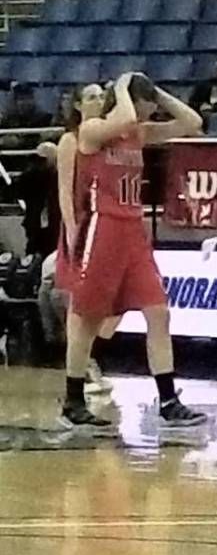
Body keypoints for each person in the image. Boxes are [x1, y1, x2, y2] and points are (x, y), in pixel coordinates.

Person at [58, 73, 207, 431]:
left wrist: (158, 93)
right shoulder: (93, 130)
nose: (148, 114)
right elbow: (122, 119)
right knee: (87, 318)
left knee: (158, 311)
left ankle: (169, 400)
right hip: (103, 227)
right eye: (146, 106)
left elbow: (192, 123)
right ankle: (73, 400)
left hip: (133, 232)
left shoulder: (137, 132)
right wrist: (123, 85)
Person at [54, 84, 127, 395]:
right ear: (78, 105)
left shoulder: (108, 137)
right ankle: (81, 370)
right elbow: (65, 191)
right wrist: (71, 230)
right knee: (78, 302)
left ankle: (88, 356)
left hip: (109, 225)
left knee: (117, 302)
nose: (98, 101)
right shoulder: (70, 140)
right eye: (91, 97)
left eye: (101, 96)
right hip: (83, 226)